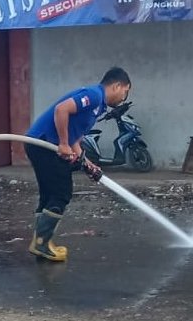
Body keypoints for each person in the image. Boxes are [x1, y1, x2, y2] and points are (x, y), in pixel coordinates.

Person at [24, 67, 132, 262]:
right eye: (126, 91)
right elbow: (62, 109)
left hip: (41, 145)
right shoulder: (94, 95)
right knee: (61, 193)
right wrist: (63, 144)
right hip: (44, 144)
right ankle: (41, 243)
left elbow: (75, 139)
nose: (124, 98)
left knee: (49, 194)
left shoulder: (99, 107)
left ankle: (41, 242)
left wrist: (88, 164)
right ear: (117, 86)